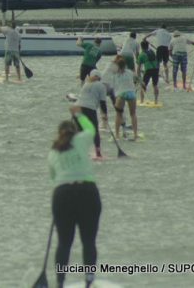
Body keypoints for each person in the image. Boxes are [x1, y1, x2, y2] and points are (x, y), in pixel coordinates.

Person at [49, 105, 101, 288]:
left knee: (64, 243)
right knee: (88, 241)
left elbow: (53, 178)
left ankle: (60, 282)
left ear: (59, 134)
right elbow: (91, 129)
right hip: (87, 192)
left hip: (62, 195)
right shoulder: (81, 139)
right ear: (74, 131)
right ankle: (89, 281)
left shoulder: (53, 151)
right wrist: (78, 114)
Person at [76, 69, 108, 158]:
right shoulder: (101, 86)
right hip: (90, 109)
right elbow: (103, 103)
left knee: (80, 131)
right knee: (94, 131)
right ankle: (98, 153)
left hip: (78, 108)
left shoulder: (86, 84)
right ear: (99, 77)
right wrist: (105, 115)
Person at [113, 56, 138, 141]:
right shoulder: (130, 72)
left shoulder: (115, 74)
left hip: (121, 94)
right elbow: (137, 79)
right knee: (133, 114)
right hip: (131, 93)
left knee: (118, 115)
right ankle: (135, 135)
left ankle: (117, 135)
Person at [137, 40, 160, 105]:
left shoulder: (141, 55)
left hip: (148, 70)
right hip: (156, 69)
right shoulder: (152, 52)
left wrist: (138, 76)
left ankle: (142, 101)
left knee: (143, 85)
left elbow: (138, 67)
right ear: (148, 46)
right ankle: (156, 101)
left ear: (141, 47)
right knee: (155, 85)